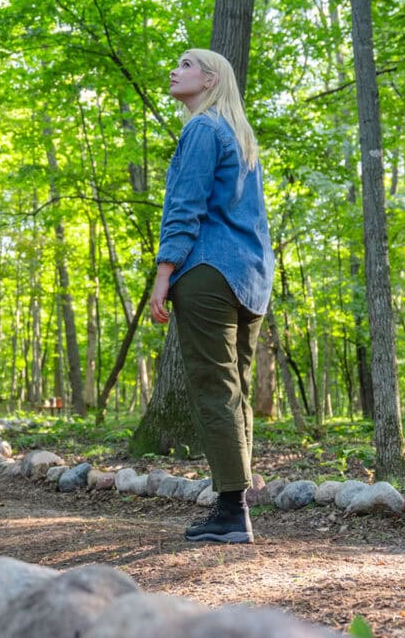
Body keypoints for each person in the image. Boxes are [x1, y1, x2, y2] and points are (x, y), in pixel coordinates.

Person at [149, 48, 274, 544]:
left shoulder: (202, 129)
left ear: (210, 79)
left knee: (214, 386)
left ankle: (230, 510)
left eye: (184, 64)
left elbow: (184, 207)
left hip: (207, 270)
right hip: (250, 277)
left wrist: (164, 274)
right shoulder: (241, 138)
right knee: (236, 388)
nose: (174, 70)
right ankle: (236, 505)